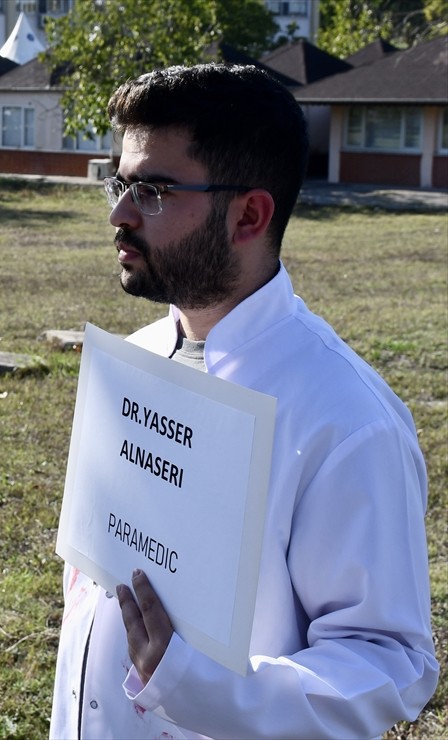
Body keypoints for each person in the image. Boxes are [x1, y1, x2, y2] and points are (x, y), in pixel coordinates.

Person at [50, 63, 439, 738]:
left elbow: (387, 662)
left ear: (249, 215)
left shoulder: (346, 421)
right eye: (120, 184)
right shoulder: (134, 360)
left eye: (152, 191)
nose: (119, 215)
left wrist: (196, 686)